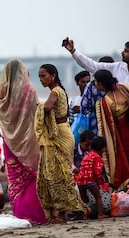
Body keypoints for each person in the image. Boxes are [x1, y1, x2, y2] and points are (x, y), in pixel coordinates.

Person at [0, 59, 46, 224]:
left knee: (16, 179)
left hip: (9, 142)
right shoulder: (28, 90)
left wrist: (12, 127)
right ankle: (37, 214)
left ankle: (21, 213)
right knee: (32, 176)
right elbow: (36, 113)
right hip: (29, 141)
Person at [35, 63, 87, 223]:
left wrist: (36, 105)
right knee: (58, 173)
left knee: (58, 174)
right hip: (61, 132)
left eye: (43, 76)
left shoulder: (56, 92)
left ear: (53, 75)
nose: (41, 79)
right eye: (39, 77)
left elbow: (48, 107)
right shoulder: (58, 91)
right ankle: (72, 210)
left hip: (59, 135)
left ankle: (65, 213)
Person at [93, 69, 129, 187]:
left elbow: (104, 127)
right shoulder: (124, 88)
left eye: (95, 82)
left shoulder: (104, 101)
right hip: (128, 128)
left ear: (100, 84)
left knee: (127, 159)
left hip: (121, 134)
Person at [64, 38, 129, 88]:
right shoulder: (117, 67)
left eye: (126, 51)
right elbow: (93, 66)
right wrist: (73, 51)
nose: (122, 53)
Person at [75, 136, 109, 219]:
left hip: (80, 181)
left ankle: (84, 215)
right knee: (98, 197)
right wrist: (100, 181)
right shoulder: (97, 157)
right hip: (89, 180)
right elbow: (97, 172)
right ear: (102, 148)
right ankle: (100, 214)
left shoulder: (87, 155)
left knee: (84, 200)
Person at [80, 56, 115, 135]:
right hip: (114, 125)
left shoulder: (91, 86)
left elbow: (84, 108)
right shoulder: (117, 85)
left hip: (95, 126)